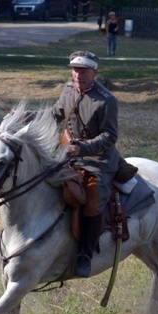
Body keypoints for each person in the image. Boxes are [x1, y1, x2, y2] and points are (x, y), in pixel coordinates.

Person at [52, 51, 120, 278]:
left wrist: (82, 148)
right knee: (42, 180)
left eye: (84, 71)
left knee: (92, 201)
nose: (78, 74)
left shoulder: (107, 100)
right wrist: (26, 117)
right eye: (75, 70)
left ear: (95, 72)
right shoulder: (69, 90)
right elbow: (55, 115)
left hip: (98, 162)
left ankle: (85, 255)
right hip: (70, 157)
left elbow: (110, 137)